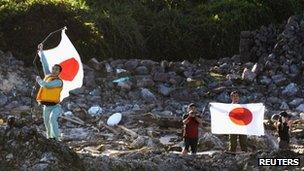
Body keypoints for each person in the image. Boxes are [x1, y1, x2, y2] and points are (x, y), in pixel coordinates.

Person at [36, 43, 63, 141]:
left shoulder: (59, 81)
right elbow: (44, 63)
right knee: (47, 124)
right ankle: (50, 139)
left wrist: (39, 80)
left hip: (55, 107)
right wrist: (41, 51)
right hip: (46, 107)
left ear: (59, 72)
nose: (55, 70)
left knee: (52, 120)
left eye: (57, 70)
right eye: (54, 69)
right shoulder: (48, 75)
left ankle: (57, 139)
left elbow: (47, 85)